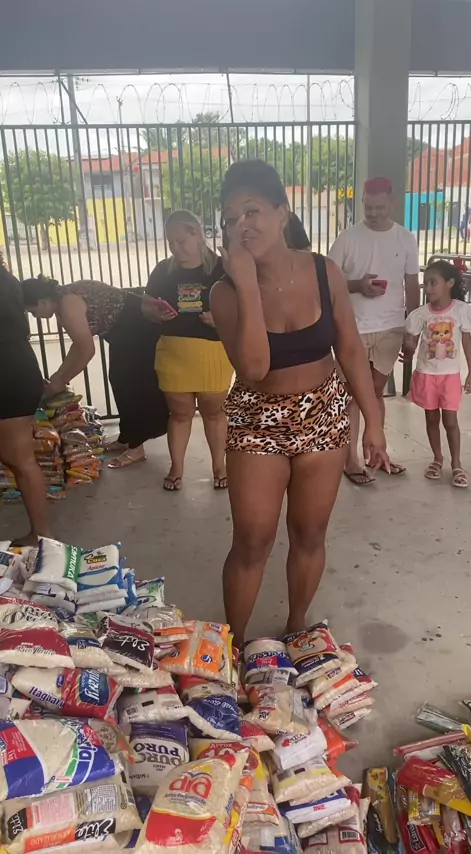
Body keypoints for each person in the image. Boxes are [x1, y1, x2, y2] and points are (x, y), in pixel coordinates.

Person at [210, 159, 389, 646]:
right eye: (230, 219)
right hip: (257, 422)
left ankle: (296, 626)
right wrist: (247, 284)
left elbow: (349, 348)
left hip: (324, 415)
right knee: (252, 540)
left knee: (310, 533)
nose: (241, 225)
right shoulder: (224, 293)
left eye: (252, 212)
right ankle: (232, 645)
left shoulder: (323, 271)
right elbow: (253, 368)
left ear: (282, 212)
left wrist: (374, 422)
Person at [329, 176, 420, 485]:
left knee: (375, 393)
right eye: (368, 207)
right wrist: (358, 285)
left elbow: (411, 285)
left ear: (393, 203)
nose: (373, 213)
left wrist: (411, 331)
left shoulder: (405, 239)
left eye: (379, 207)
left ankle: (377, 454)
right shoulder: (348, 238)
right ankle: (351, 461)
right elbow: (326, 280)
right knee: (353, 395)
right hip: (352, 328)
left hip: (391, 328)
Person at [21, 277, 169, 468]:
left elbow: (86, 350)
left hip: (137, 327)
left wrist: (60, 381)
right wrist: (59, 376)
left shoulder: (67, 305)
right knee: (119, 381)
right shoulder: (63, 299)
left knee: (131, 387)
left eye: (33, 311)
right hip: (126, 330)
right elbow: (78, 345)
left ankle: (136, 447)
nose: (35, 317)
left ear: (42, 302)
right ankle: (127, 438)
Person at [146, 210, 233, 491]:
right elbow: (146, 305)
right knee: (180, 415)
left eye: (181, 241)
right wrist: (155, 312)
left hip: (214, 352)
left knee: (214, 414)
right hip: (173, 353)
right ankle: (177, 467)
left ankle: (219, 466)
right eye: (171, 242)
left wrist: (221, 318)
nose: (175, 248)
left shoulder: (222, 268)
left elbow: (246, 305)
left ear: (197, 235)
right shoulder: (163, 270)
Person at [402, 260, 471, 488]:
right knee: (431, 419)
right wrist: (408, 349)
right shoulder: (420, 315)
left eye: (433, 282)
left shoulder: (462, 311)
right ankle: (437, 458)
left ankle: (456, 464)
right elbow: (411, 344)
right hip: (426, 374)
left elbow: (467, 342)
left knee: (450, 421)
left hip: (450, 377)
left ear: (449, 283)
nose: (428, 288)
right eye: (426, 283)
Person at [0, 256, 50, 545]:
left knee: (20, 460)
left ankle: (42, 535)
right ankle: (42, 534)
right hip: (18, 366)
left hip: (7, 374)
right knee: (19, 459)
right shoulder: (6, 278)